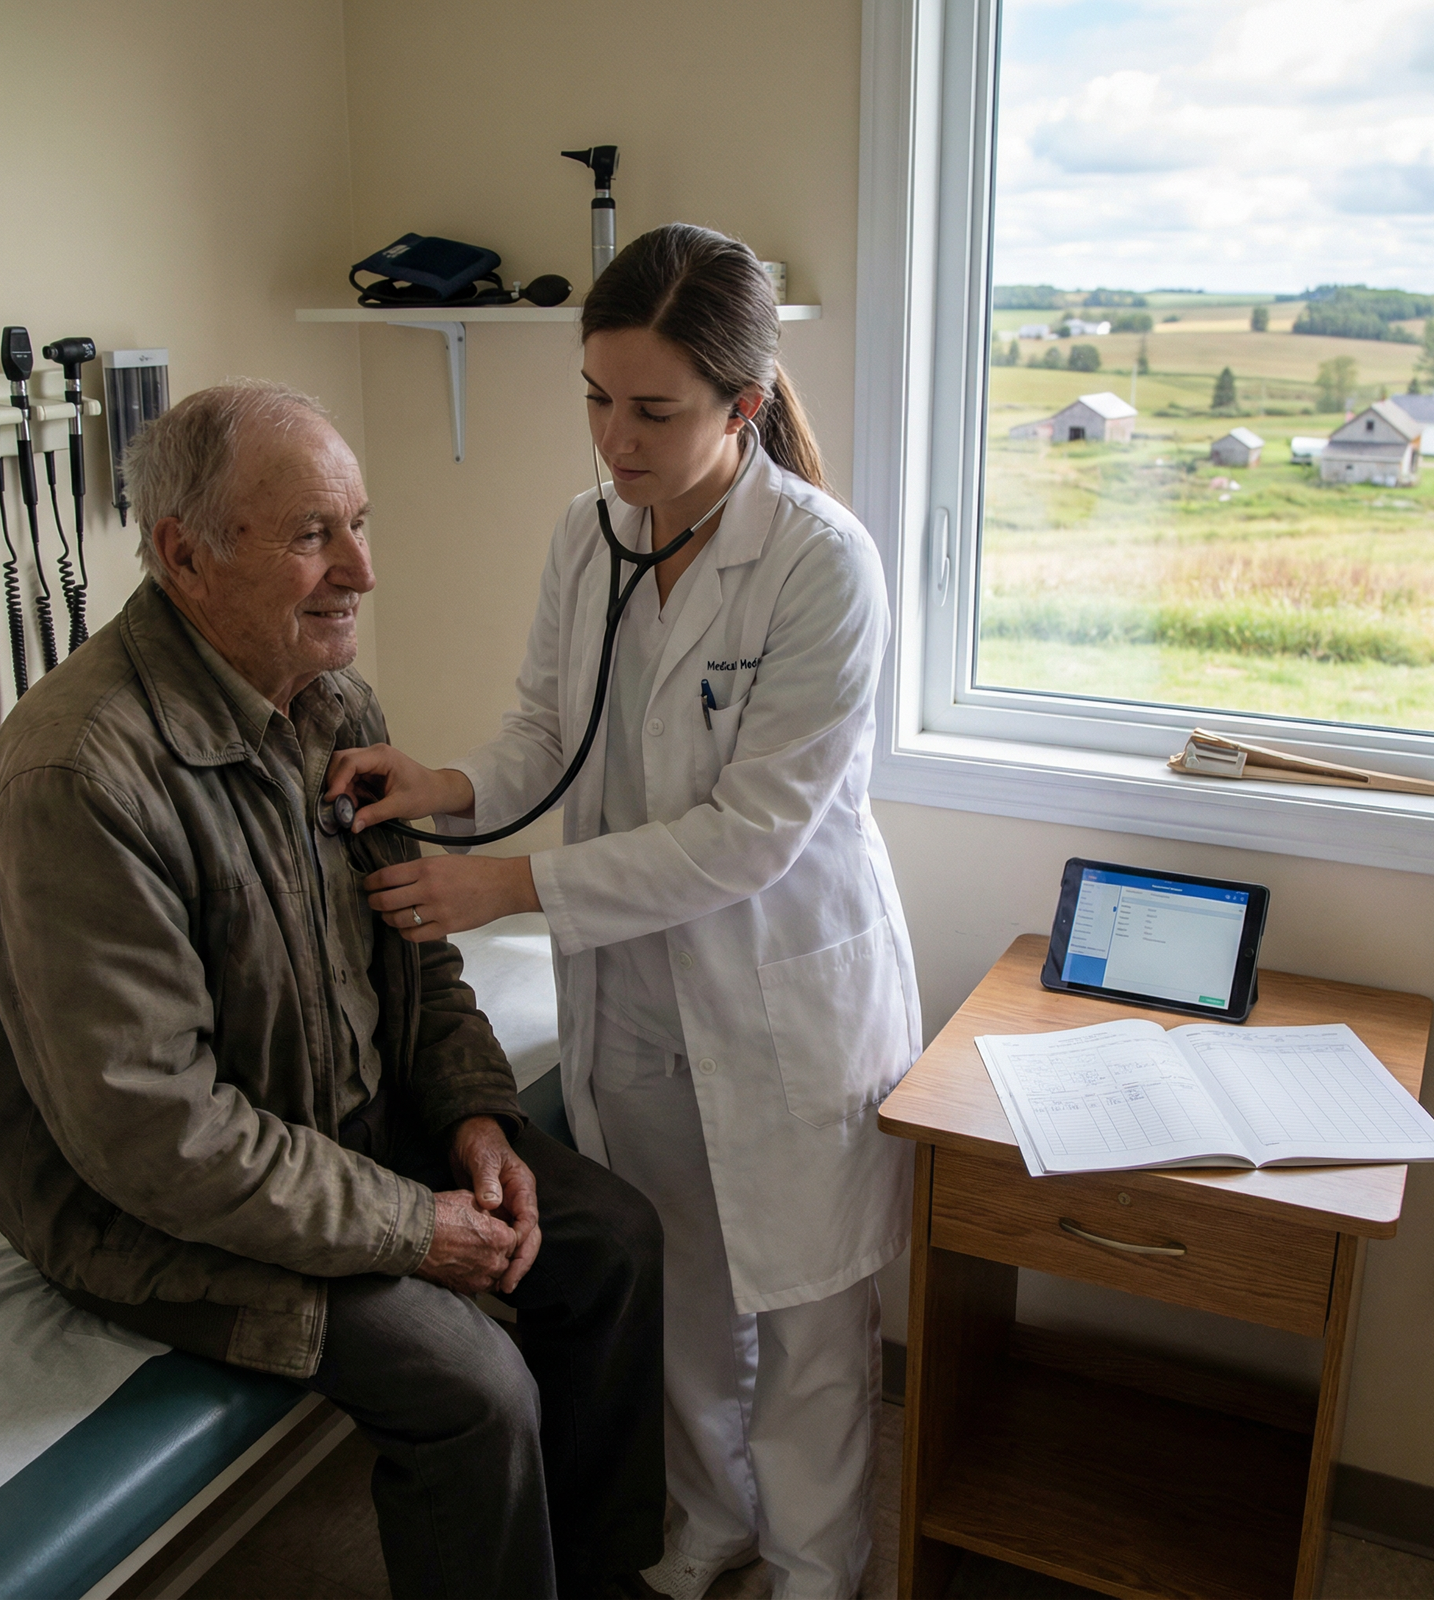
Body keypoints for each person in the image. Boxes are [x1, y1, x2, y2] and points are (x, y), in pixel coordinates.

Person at [0, 381, 666, 1600]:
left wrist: (473, 1118)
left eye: (360, 523)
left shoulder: (330, 704)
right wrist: (412, 1225)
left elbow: (415, 956)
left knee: (611, 1244)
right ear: (185, 554)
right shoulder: (76, 781)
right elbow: (156, 1137)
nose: (362, 572)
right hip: (147, 1209)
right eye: (311, 536)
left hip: (335, 1121)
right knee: (474, 1391)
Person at [327, 225, 922, 1600]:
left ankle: (818, 1566)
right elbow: (548, 732)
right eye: (597, 397)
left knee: (814, 1314)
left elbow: (753, 835)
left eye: (652, 410)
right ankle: (709, 1524)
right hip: (638, 992)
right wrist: (450, 786)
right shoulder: (586, 538)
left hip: (785, 993)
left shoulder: (823, 565)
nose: (615, 439)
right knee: (691, 1296)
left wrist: (508, 886)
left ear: (745, 406)